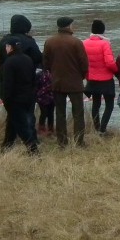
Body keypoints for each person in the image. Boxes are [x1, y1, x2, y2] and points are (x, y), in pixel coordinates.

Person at [0, 14, 42, 148]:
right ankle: (31, 140)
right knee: (27, 114)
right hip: (25, 84)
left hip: (6, 82)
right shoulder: (29, 42)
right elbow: (38, 59)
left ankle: (9, 142)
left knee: (12, 112)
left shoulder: (4, 41)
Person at [43, 17, 89, 147]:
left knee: (60, 113)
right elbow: (84, 64)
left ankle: (62, 142)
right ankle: (79, 141)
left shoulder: (49, 42)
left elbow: (45, 63)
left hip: (57, 82)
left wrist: (54, 73)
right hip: (75, 83)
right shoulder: (76, 42)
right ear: (69, 26)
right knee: (78, 113)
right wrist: (81, 76)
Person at [0, 38, 38, 154]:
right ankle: (6, 146)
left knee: (21, 126)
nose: (5, 49)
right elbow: (33, 79)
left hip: (14, 99)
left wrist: (6, 99)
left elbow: (7, 83)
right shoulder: (28, 59)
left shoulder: (9, 62)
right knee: (12, 123)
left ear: (10, 47)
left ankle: (33, 150)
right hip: (28, 97)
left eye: (6, 46)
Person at [83, 19, 118, 135]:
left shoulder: (84, 43)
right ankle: (103, 129)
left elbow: (83, 62)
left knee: (96, 104)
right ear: (103, 31)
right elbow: (109, 63)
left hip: (92, 79)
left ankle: (96, 127)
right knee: (109, 105)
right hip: (106, 79)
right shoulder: (105, 44)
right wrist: (117, 71)